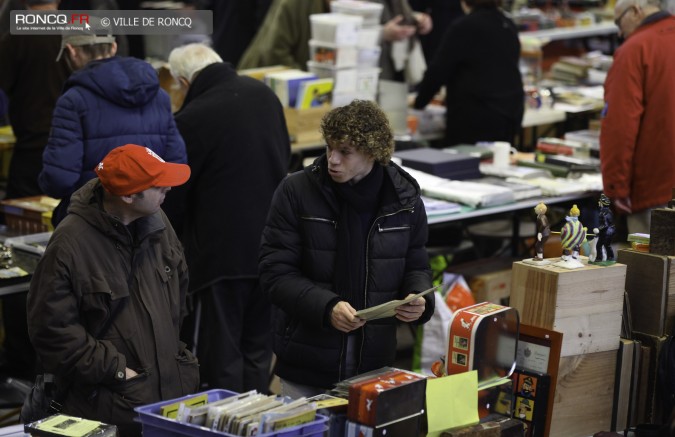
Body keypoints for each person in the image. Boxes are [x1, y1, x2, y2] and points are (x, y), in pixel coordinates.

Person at [258, 100, 435, 398]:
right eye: (329, 148)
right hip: (306, 362)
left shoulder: (404, 199)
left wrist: (418, 300)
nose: (332, 159)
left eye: (345, 152)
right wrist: (327, 307)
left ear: (372, 151)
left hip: (374, 367)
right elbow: (275, 273)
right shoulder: (296, 192)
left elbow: (416, 265)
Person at [25, 144, 199, 436]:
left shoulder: (159, 224)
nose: (168, 189)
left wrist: (175, 355)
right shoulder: (69, 244)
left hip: (168, 405)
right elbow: (51, 331)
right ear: (129, 195)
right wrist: (118, 371)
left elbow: (179, 295)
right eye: (157, 186)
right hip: (109, 410)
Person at [163, 43, 290, 394]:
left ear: (184, 82)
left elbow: (176, 195)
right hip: (272, 247)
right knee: (256, 354)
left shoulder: (193, 118)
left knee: (220, 361)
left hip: (220, 260)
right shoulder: (264, 96)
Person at [39, 19, 186, 226]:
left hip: (90, 220)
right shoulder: (158, 95)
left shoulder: (74, 100)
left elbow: (58, 179)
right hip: (147, 220)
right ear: (114, 46)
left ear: (71, 51)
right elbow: (176, 161)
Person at [0, 0, 70, 381]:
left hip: (30, 160)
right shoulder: (78, 31)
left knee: (17, 262)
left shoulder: (17, 39)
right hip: (74, 159)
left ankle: (21, 361)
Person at [599, 0, 675, 234]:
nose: (620, 32)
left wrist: (615, 188)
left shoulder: (635, 50)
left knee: (650, 267)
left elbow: (620, 126)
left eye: (618, 22)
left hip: (653, 187)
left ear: (636, 10)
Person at [413, 0, 523, 146]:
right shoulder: (508, 24)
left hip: (476, 117)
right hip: (509, 114)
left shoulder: (465, 26)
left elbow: (438, 71)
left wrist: (418, 104)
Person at [238, 0, 432, 83]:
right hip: (267, 77)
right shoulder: (293, 4)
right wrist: (312, 85)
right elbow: (274, 52)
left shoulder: (347, 10)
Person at [0, 0, 70, 200]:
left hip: (33, 147)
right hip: (77, 145)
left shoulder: (16, 39)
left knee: (20, 218)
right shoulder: (80, 32)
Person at [593, 194, 615, 263]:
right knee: (607, 245)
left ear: (602, 203)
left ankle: (599, 259)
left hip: (606, 232)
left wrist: (598, 230)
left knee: (599, 245)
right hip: (611, 230)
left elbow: (605, 225)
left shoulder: (602, 213)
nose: (598, 203)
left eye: (599, 202)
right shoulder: (609, 211)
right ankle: (610, 257)